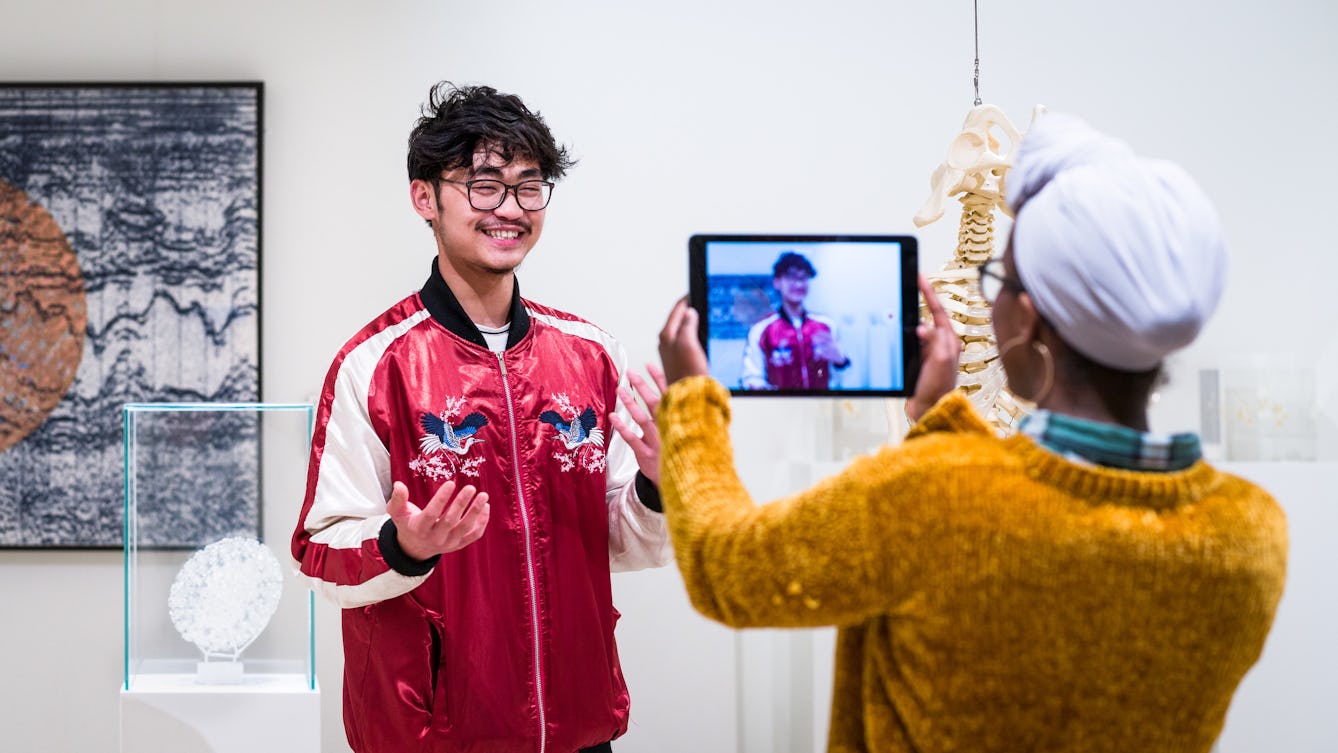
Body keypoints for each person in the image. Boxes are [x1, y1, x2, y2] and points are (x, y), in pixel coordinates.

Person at [640, 114, 1288, 752]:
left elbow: (729, 569)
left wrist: (693, 408)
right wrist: (941, 416)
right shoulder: (1251, 534)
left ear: (1028, 321)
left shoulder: (927, 497)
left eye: (998, 280)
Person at [291, 83, 671, 753]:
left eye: (530, 186)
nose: (511, 209)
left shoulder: (591, 356)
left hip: (580, 730)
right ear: (424, 197)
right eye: (485, 185)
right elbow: (320, 554)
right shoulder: (373, 366)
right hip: (430, 734)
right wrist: (403, 546)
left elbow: (623, 540)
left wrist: (657, 483)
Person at [739, 251, 851, 390]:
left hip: (822, 406)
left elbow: (841, 380)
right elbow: (751, 377)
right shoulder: (761, 330)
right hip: (778, 408)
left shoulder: (825, 326)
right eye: (791, 277)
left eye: (803, 278)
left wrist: (840, 361)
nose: (798, 284)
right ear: (777, 282)